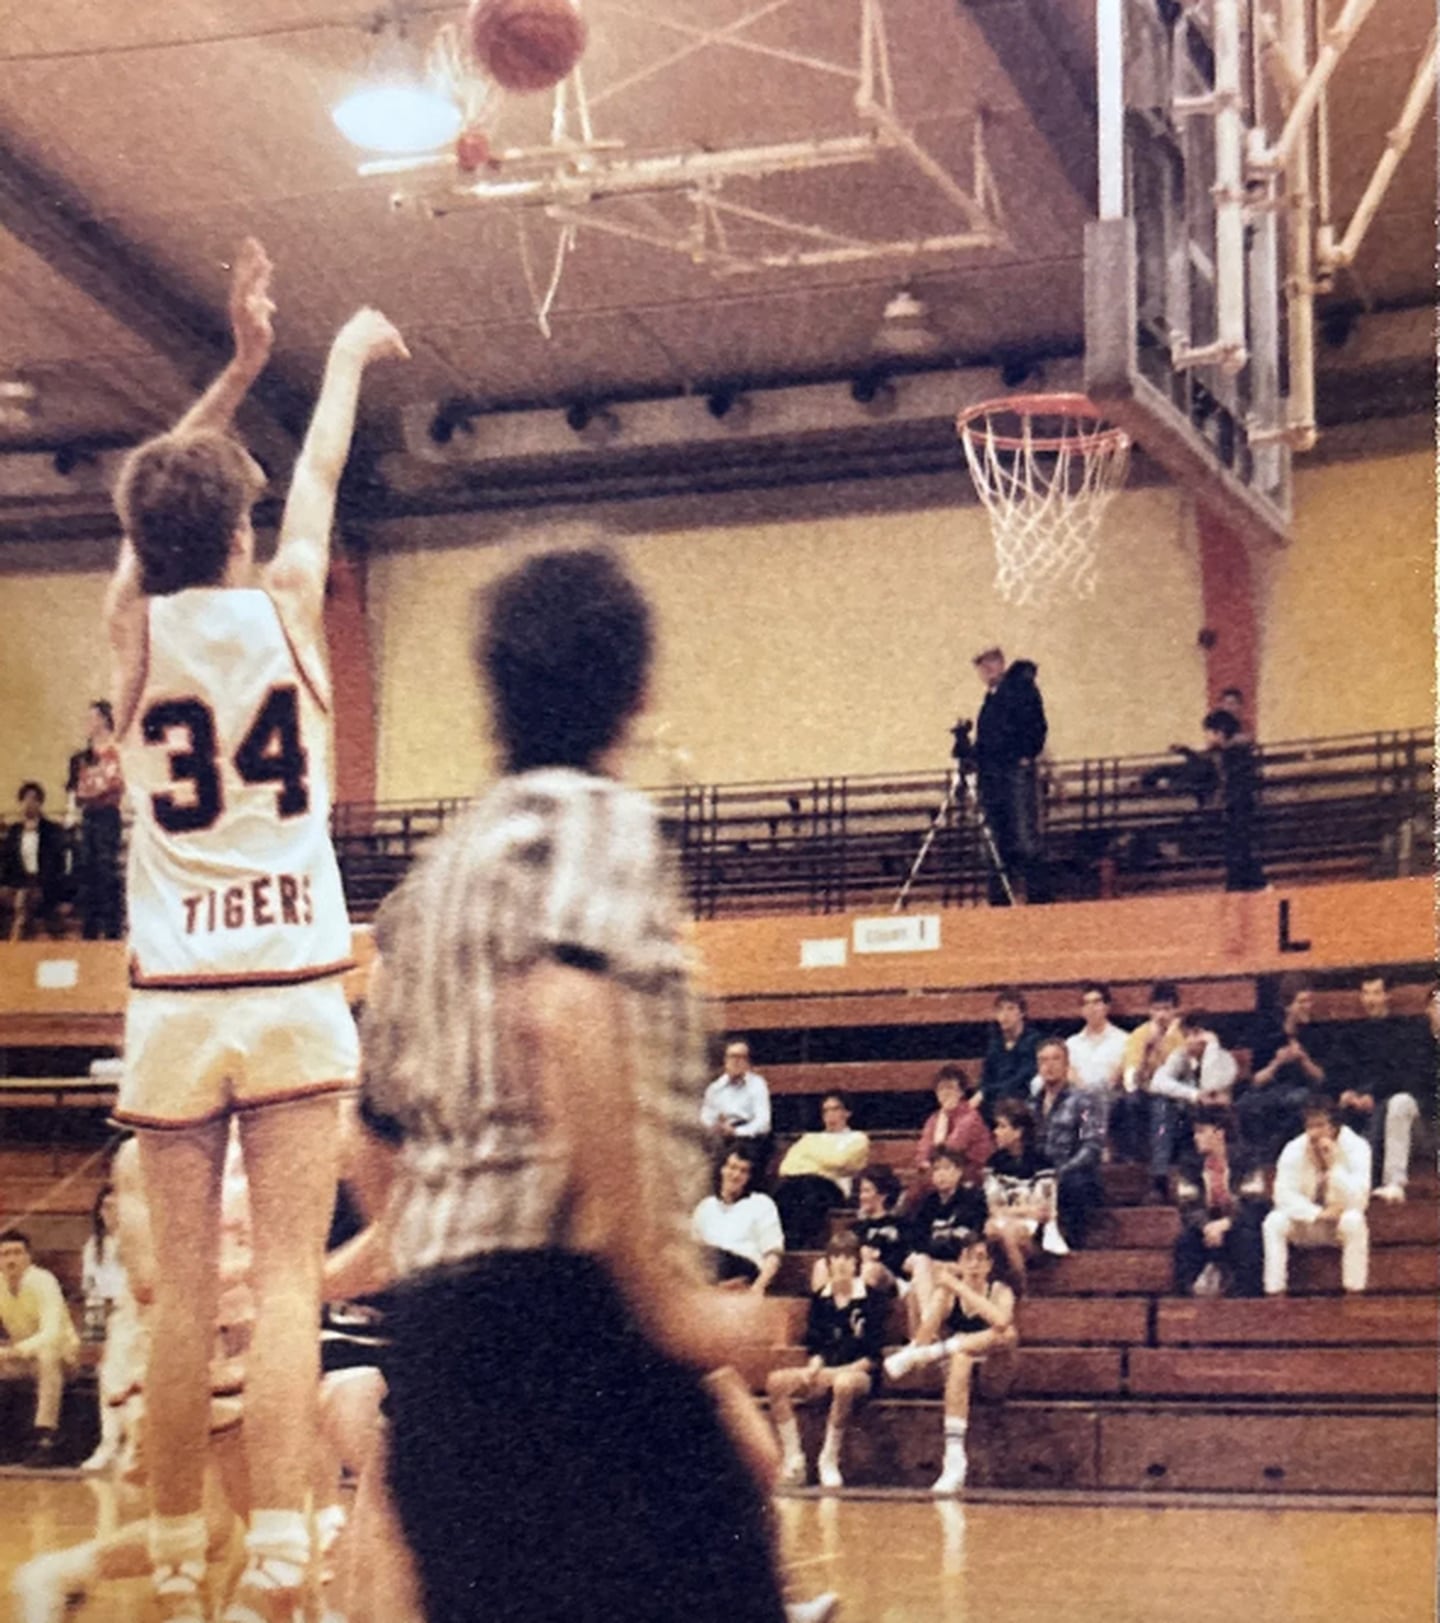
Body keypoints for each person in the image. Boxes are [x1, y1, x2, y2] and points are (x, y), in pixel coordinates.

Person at [355, 544, 786, 1623]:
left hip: (443, 1346)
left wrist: (429, 1268)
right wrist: (665, 1299)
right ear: (637, 690)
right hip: (572, 1318)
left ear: (491, 695)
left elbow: (369, 1137)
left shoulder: (428, 881)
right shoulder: (596, 820)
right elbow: (567, 1009)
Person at [105, 238, 407, 1623]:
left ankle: (176, 1556)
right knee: (287, 1278)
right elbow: (328, 472)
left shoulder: (132, 625)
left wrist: (229, 374)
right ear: (240, 525)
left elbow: (157, 496)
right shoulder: (289, 606)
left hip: (175, 994)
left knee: (175, 1308)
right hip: (291, 979)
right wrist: (329, 356)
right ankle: (284, 1550)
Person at [883, 1234, 1018, 1493]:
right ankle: (954, 1460)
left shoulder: (1000, 1290)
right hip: (957, 1374)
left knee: (1008, 1334)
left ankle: (944, 1348)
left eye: (981, 1259)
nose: (975, 1264)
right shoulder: (949, 1293)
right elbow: (922, 1337)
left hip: (995, 1373)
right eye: (969, 1258)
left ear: (990, 1265)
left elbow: (1001, 1322)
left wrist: (959, 1287)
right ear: (959, 1261)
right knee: (960, 1358)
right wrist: (941, 1296)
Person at [766, 1232, 886, 1490]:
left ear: (856, 1263)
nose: (841, 1263)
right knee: (776, 1382)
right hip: (828, 1369)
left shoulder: (873, 1299)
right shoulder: (821, 1298)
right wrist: (813, 1369)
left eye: (847, 1257)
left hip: (859, 1373)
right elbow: (817, 1346)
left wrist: (837, 1372)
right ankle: (794, 1458)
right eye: (835, 1257)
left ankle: (828, 1458)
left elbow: (873, 1356)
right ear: (828, 1263)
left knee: (843, 1384)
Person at [1332, 972, 1428, 1201]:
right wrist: (1348, 1093)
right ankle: (1346, 1186)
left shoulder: (1405, 1031)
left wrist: (1373, 1097)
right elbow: (1344, 1070)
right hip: (1365, 1103)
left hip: (1414, 1119)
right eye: (1366, 993)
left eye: (1376, 993)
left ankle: (1393, 1182)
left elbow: (1407, 1078)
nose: (1371, 999)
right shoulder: (1353, 1034)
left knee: (1397, 1103)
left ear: (1387, 996)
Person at [1262, 1098, 1371, 1296]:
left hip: (1339, 1224)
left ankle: (1354, 1294)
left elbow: (1359, 1200)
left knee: (1355, 1220)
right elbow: (1282, 1195)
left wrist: (1334, 1167)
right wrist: (1317, 1213)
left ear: (1335, 1128)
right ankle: (1275, 1293)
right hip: (1308, 1221)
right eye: (1309, 1126)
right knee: (1274, 1221)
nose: (1313, 1133)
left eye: (1320, 1125)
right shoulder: (1294, 1148)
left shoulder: (1358, 1148)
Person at [970, 646, 1049, 905]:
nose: (987, 669)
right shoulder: (992, 698)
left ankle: (1036, 899)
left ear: (1001, 663)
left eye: (992, 662)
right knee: (997, 840)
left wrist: (1025, 755)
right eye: (983, 665)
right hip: (993, 774)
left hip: (1011, 771)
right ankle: (1006, 898)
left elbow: (1035, 725)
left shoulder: (1017, 690)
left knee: (1023, 837)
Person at [0, 1230, 80, 1467]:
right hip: (24, 1358)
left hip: (63, 1357)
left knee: (47, 1356)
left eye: (17, 1253)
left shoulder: (43, 1281)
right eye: (4, 1254)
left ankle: (46, 1439)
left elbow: (51, 1333)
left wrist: (14, 1351)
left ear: (28, 1257)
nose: (11, 1259)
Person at [1171, 1105, 1268, 1298]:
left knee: (1248, 1239)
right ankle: (1186, 1305)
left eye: (1201, 1131)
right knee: (1185, 1242)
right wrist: (1207, 1226)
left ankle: (1247, 1303)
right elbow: (1187, 1205)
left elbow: (1254, 1202)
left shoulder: (1248, 1160)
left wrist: (1226, 1224)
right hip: (1205, 1226)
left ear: (1219, 1132)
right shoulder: (1189, 1165)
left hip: (1239, 1224)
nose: (1195, 1137)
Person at [1144, 1012, 1239, 1200]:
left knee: (1211, 1111)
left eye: (1194, 1035)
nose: (1188, 1041)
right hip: (1184, 1121)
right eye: (1186, 1035)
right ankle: (1160, 1178)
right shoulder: (1180, 1057)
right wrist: (1194, 1095)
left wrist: (1211, 1047)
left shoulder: (1225, 1061)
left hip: (1214, 1124)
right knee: (1161, 1106)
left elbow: (1210, 1085)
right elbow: (1157, 1082)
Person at [1239, 974, 1327, 1166]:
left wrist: (1303, 1059)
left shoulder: (1316, 1032)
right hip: (1271, 1090)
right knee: (1247, 1104)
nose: (1307, 1006)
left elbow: (1321, 1078)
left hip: (1302, 1090)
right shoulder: (1267, 1032)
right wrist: (1277, 1063)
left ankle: (1284, 1159)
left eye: (1309, 1001)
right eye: (1302, 1002)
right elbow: (1256, 1080)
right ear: (1288, 1006)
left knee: (1298, 1101)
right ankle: (1259, 1163)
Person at [901, 1148, 988, 1328]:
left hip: (962, 1267)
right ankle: (927, 1330)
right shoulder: (927, 1204)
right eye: (937, 1169)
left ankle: (924, 1336)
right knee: (916, 1281)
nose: (941, 1174)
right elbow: (917, 1243)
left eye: (946, 1168)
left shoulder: (973, 1200)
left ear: (958, 1172)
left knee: (917, 1283)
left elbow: (975, 1240)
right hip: (933, 1267)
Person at [1032, 1039, 1104, 1249]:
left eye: (1056, 1059)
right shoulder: (1031, 1103)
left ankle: (1073, 1242)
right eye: (1043, 1060)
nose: (1049, 1065)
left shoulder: (1084, 1100)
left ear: (1066, 1065)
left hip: (1073, 1173)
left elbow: (1092, 1146)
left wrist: (1061, 1171)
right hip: (1039, 1174)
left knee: (1075, 1184)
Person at [774, 1093, 871, 1248]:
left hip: (834, 1188)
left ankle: (799, 1244)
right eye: (825, 1111)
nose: (830, 1115)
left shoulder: (857, 1138)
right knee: (785, 1192)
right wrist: (825, 1164)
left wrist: (809, 1157)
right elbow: (786, 1167)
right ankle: (786, 1245)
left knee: (811, 1191)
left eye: (835, 1109)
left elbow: (841, 1160)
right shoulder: (810, 1138)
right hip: (800, 1183)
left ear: (847, 1113)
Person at [79, 1179, 130, 1471]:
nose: (110, 1212)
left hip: (135, 1317)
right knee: (108, 1379)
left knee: (130, 1382)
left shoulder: (137, 1240)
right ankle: (108, 1443)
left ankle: (131, 1444)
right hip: (109, 1318)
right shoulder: (93, 1248)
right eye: (105, 1206)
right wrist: (95, 1336)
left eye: (116, 1206)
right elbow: (93, 1292)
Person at [983, 1100, 1058, 1287]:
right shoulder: (994, 1162)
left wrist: (1008, 1212)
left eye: (1002, 1126)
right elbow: (992, 1207)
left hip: (1035, 1234)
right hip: (1003, 1223)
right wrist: (1021, 1210)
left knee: (1007, 1232)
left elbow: (1041, 1211)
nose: (995, 1132)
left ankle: (1021, 1290)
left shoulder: (1042, 1162)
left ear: (1018, 1132)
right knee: (989, 1230)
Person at [69, 699, 126, 939]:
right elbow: (76, 790)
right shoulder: (82, 757)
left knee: (107, 870)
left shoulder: (116, 752)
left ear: (103, 719)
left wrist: (92, 790)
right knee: (87, 871)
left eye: (92, 717)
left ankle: (113, 930)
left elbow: (113, 785)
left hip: (108, 815)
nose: (87, 723)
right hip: (89, 816)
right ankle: (90, 931)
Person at [692, 1146, 785, 1292]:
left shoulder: (761, 1204)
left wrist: (757, 1288)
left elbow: (773, 1255)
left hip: (744, 1270)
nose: (735, 1175)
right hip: (710, 1274)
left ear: (749, 1177)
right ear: (722, 1170)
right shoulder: (705, 1207)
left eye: (743, 1171)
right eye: (732, 1168)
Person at [1110, 981, 1183, 1163]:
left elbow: (1181, 1074)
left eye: (1166, 1009)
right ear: (1150, 1011)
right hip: (1143, 1094)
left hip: (1174, 1095)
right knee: (1127, 1102)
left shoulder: (1181, 1036)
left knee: (1162, 1105)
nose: (1161, 1015)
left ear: (1175, 1011)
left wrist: (1163, 1046)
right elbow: (1131, 1080)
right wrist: (1147, 1050)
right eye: (1156, 1009)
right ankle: (1133, 1163)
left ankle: (1160, 1172)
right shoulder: (1140, 1035)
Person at [1203, 708, 1263, 892]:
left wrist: (1225, 802)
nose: (1207, 739)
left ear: (1219, 732)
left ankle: (1243, 883)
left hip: (1238, 803)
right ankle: (1248, 882)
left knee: (1237, 845)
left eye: (1209, 733)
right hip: (1240, 802)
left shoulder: (1232, 753)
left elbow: (1232, 781)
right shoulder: (1233, 751)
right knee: (1239, 845)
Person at [0, 782, 67, 941]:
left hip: (43, 884)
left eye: (33, 799)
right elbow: (6, 862)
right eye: (25, 800)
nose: (29, 804)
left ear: (40, 803)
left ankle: (14, 944)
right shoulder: (14, 831)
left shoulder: (52, 830)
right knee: (19, 897)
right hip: (18, 883)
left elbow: (57, 865)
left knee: (24, 899)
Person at [914, 1063, 993, 1192]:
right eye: (941, 1089)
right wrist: (924, 1163)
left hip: (970, 1173)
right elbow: (923, 1147)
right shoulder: (934, 1118)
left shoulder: (971, 1117)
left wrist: (934, 1166)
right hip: (942, 1171)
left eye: (950, 1088)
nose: (945, 1093)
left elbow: (952, 1149)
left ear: (961, 1092)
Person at [700, 1038, 773, 1168]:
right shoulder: (715, 1088)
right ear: (725, 1061)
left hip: (748, 1137)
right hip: (720, 1135)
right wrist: (716, 1126)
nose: (736, 1062)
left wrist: (736, 1132)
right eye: (732, 1057)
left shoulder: (757, 1084)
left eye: (741, 1057)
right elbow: (705, 1118)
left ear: (748, 1062)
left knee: (739, 1150)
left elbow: (763, 1123)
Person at [1064, 982, 1128, 1121]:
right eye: (1086, 1004)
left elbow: (1115, 1078)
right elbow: (1070, 1075)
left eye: (1096, 1002)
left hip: (1110, 1103)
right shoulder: (1071, 1043)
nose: (1091, 1008)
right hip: (1077, 1102)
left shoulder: (1124, 1040)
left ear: (1107, 1007)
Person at [978, 987, 1041, 1124]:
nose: (1004, 1015)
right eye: (1000, 1010)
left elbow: (1022, 1078)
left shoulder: (1033, 1041)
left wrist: (986, 1092)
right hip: (995, 1102)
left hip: (1022, 1100)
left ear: (1022, 1013)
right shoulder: (995, 1043)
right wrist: (983, 1092)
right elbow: (986, 1076)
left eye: (1010, 1009)